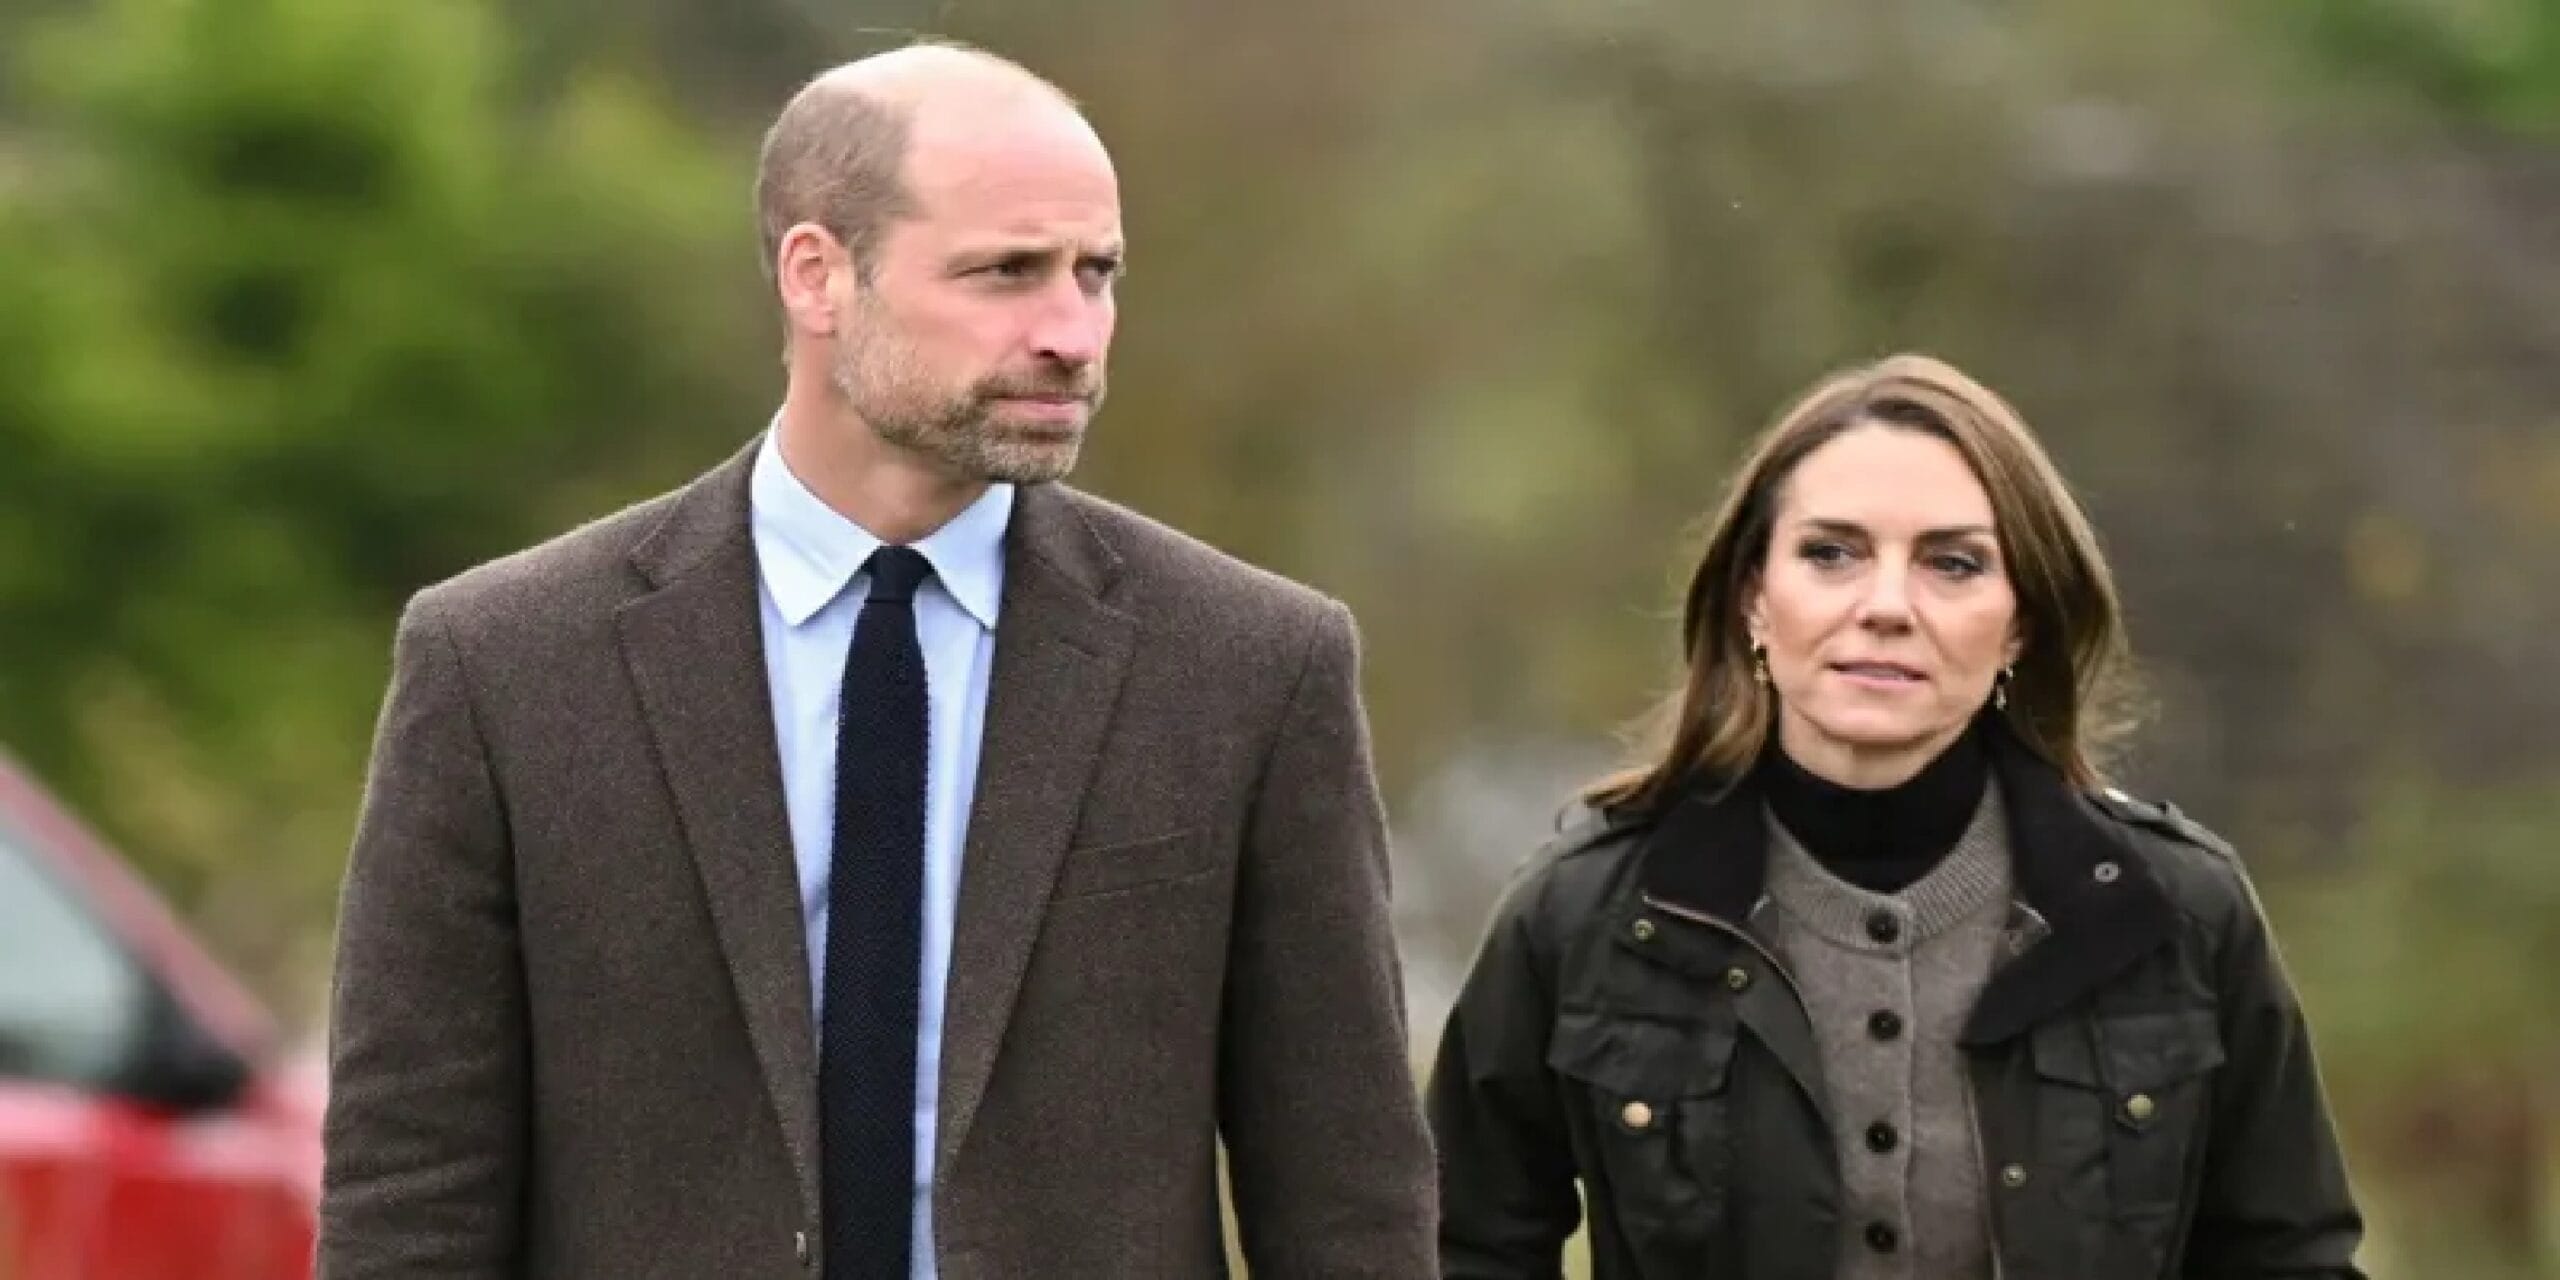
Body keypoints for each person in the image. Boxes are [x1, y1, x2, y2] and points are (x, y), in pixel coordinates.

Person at [318, 42, 1436, 1279]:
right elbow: (408, 1195)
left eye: (1097, 272)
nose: (1071, 333)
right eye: (1006, 271)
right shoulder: (503, 664)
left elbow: (1347, 1201)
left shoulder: (1251, 666)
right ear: (818, 275)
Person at [1426, 354, 2366, 1278]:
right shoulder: (1588, 919)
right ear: (1754, 598)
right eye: (1830, 554)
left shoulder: (2173, 917)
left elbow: (2292, 1261)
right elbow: (1458, 1251)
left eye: (1953, 564)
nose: (1885, 606)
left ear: (2020, 623)